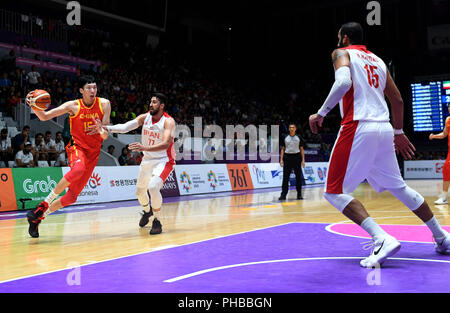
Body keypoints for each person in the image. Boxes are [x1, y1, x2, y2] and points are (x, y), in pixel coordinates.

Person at [308, 22, 450, 268]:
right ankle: (442, 236)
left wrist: (320, 114)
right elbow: (396, 98)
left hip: (358, 125)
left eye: (339, 36)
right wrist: (398, 131)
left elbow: (342, 83)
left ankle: (381, 238)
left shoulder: (342, 53)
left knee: (333, 191)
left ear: (344, 38)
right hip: (384, 128)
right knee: (400, 187)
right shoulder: (378, 61)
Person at [25, 75, 111, 238]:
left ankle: (38, 218)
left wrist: (101, 129)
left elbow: (105, 136)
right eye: (88, 88)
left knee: (71, 197)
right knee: (78, 169)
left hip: (94, 153)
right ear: (81, 91)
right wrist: (34, 106)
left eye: (94, 87)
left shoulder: (104, 104)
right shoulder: (72, 106)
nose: (93, 90)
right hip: (77, 147)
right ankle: (43, 204)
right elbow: (44, 117)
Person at [89, 93, 175, 235]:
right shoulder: (145, 117)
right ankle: (147, 212)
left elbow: (166, 143)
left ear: (162, 105)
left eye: (154, 102)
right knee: (140, 192)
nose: (150, 104)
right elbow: (125, 127)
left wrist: (144, 148)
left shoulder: (168, 121)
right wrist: (106, 128)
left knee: (153, 187)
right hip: (147, 160)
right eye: (150, 101)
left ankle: (157, 221)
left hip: (163, 161)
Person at [279, 123, 306, 200]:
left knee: (298, 177)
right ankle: (283, 195)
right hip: (287, 157)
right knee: (285, 177)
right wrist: (281, 160)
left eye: (293, 127)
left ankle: (299, 194)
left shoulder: (299, 137)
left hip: (297, 157)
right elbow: (283, 149)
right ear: (288, 129)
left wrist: (303, 160)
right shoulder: (285, 137)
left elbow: (301, 149)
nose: (291, 128)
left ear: (295, 129)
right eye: (290, 127)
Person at [429, 111, 450, 204]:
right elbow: (444, 134)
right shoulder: (448, 120)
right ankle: (444, 197)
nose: (449, 109)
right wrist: (434, 136)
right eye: (449, 108)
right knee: (446, 170)